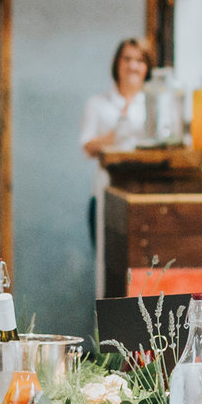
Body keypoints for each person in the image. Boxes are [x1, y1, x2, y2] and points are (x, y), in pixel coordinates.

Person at [83, 38, 153, 291]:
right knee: (107, 266)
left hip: (145, 193)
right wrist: (117, 132)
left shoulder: (154, 104)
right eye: (127, 59)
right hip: (104, 193)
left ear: (147, 67)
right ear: (117, 63)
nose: (133, 66)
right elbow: (87, 146)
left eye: (139, 60)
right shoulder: (98, 103)